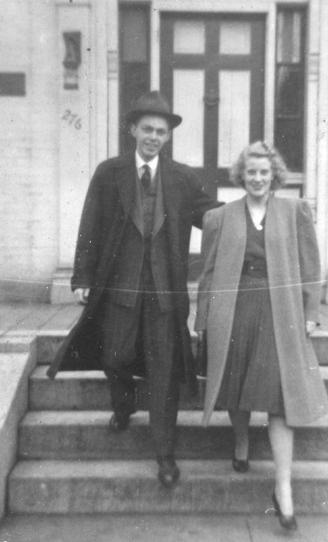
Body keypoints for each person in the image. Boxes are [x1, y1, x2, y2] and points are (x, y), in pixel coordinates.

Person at [47, 91, 219, 488]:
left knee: (164, 371)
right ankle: (123, 403)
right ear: (132, 130)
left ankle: (165, 455)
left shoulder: (181, 178)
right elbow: (89, 227)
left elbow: (211, 217)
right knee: (117, 355)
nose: (153, 137)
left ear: (168, 136)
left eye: (161, 131)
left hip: (164, 295)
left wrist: (252, 211)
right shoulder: (110, 173)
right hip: (119, 289)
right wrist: (82, 278)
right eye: (147, 129)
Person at [194, 141, 328, 530]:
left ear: (274, 176)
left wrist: (311, 312)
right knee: (235, 385)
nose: (257, 178)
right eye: (251, 172)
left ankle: (283, 487)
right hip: (234, 311)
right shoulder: (220, 217)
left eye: (264, 173)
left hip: (279, 313)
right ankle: (240, 443)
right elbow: (208, 272)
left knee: (279, 398)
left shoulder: (294, 212)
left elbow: (310, 265)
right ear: (242, 175)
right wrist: (202, 318)